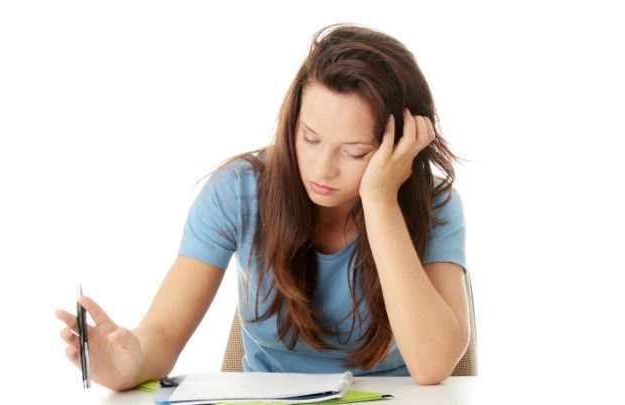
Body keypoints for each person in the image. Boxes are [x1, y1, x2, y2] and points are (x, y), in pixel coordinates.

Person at [55, 23, 470, 390]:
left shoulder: (435, 205)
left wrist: (379, 201)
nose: (322, 168)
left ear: (401, 147)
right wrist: (127, 365)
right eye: (310, 138)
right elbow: (163, 331)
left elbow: (432, 366)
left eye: (355, 152)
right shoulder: (238, 192)